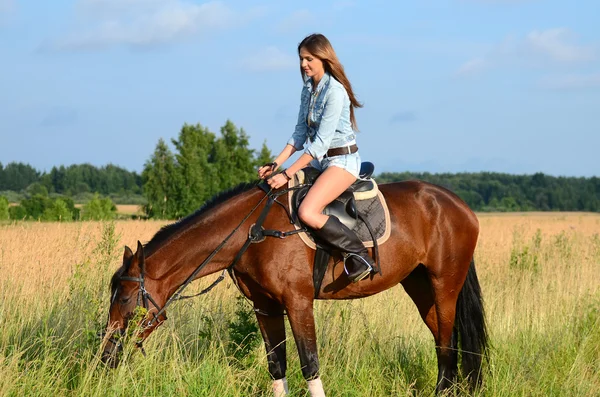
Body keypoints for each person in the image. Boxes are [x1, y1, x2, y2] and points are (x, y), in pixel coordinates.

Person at [257, 33, 374, 283]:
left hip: (342, 163)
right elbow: (299, 135)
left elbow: (319, 145)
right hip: (322, 162)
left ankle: (360, 255)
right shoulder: (308, 89)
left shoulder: (336, 92)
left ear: (323, 57)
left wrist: (287, 173)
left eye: (309, 58)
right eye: (301, 59)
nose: (303, 64)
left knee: (308, 211)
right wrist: (275, 164)